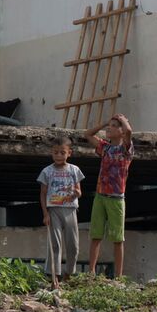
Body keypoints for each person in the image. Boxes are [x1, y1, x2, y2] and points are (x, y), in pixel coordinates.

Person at [84, 113, 134, 278]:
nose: (109, 128)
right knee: (96, 235)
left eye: (113, 126)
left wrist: (123, 120)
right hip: (100, 196)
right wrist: (105, 121)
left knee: (118, 239)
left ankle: (118, 276)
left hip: (116, 198)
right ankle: (91, 272)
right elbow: (87, 134)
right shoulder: (105, 147)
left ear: (121, 131)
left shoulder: (126, 149)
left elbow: (129, 131)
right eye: (109, 125)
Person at [37, 135, 84, 288]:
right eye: (56, 152)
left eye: (62, 152)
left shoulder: (74, 170)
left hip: (70, 210)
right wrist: (45, 214)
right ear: (52, 153)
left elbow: (79, 191)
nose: (59, 155)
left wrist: (75, 193)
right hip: (53, 210)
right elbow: (43, 193)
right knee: (55, 244)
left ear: (69, 153)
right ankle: (54, 277)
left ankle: (68, 274)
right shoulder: (47, 171)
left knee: (73, 245)